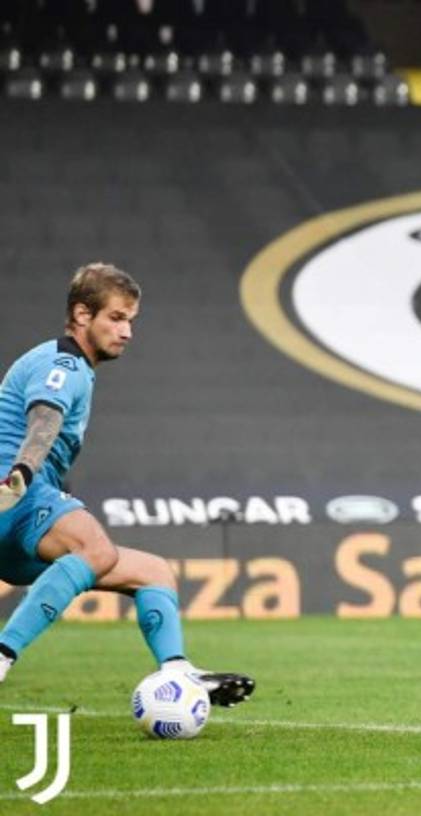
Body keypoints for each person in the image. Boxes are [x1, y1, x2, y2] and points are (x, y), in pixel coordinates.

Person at [0, 263, 255, 707]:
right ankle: (4, 653)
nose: (127, 332)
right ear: (82, 315)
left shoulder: (75, 367)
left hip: (19, 521)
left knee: (154, 572)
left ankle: (178, 671)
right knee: (95, 549)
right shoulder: (62, 363)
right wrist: (20, 474)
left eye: (131, 321)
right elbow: (45, 419)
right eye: (116, 318)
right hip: (15, 495)